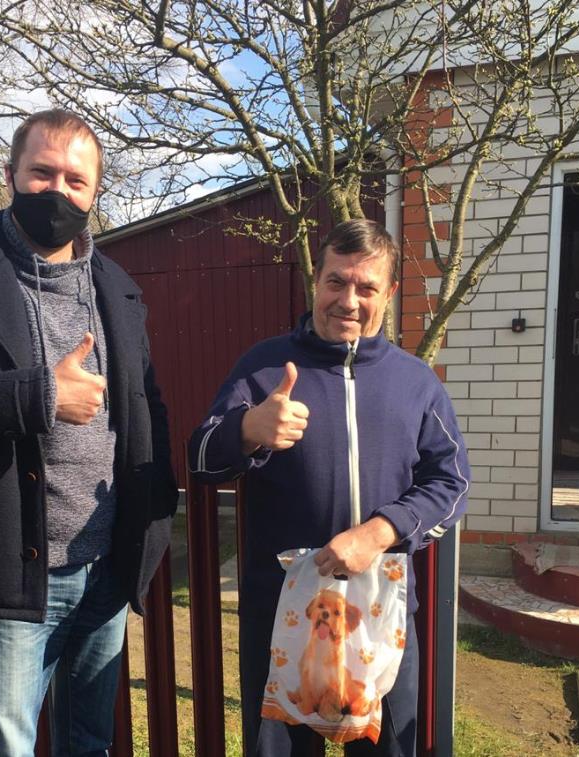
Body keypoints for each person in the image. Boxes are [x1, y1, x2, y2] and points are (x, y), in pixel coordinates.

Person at [0, 108, 178, 756]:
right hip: (15, 571)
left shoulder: (118, 288)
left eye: (76, 180)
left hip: (106, 563)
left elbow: (147, 405)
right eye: (42, 172)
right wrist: (41, 395)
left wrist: (155, 505)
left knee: (89, 741)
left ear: (95, 192)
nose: (58, 191)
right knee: (9, 746)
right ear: (11, 173)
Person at [188, 219, 470, 756]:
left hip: (382, 613)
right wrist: (247, 430)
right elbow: (199, 460)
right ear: (314, 281)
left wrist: (380, 532)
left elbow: (451, 482)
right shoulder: (263, 368)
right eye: (336, 282)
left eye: (366, 287)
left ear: (389, 292)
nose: (348, 300)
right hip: (284, 616)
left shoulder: (417, 383)